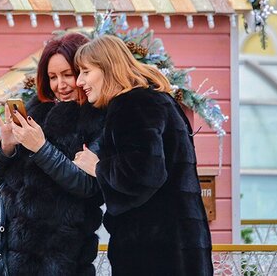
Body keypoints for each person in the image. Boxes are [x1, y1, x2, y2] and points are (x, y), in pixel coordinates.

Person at [72, 35, 213, 276]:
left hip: (154, 252)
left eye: (86, 71)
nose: (79, 81)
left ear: (108, 67)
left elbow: (145, 172)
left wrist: (98, 167)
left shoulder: (131, 103)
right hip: (179, 246)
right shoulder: (155, 99)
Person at [0, 32, 105, 276]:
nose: (60, 85)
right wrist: (6, 147)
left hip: (63, 255)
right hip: (8, 251)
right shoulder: (36, 110)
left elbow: (88, 186)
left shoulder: (98, 118)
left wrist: (41, 148)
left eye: (67, 75)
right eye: (52, 77)